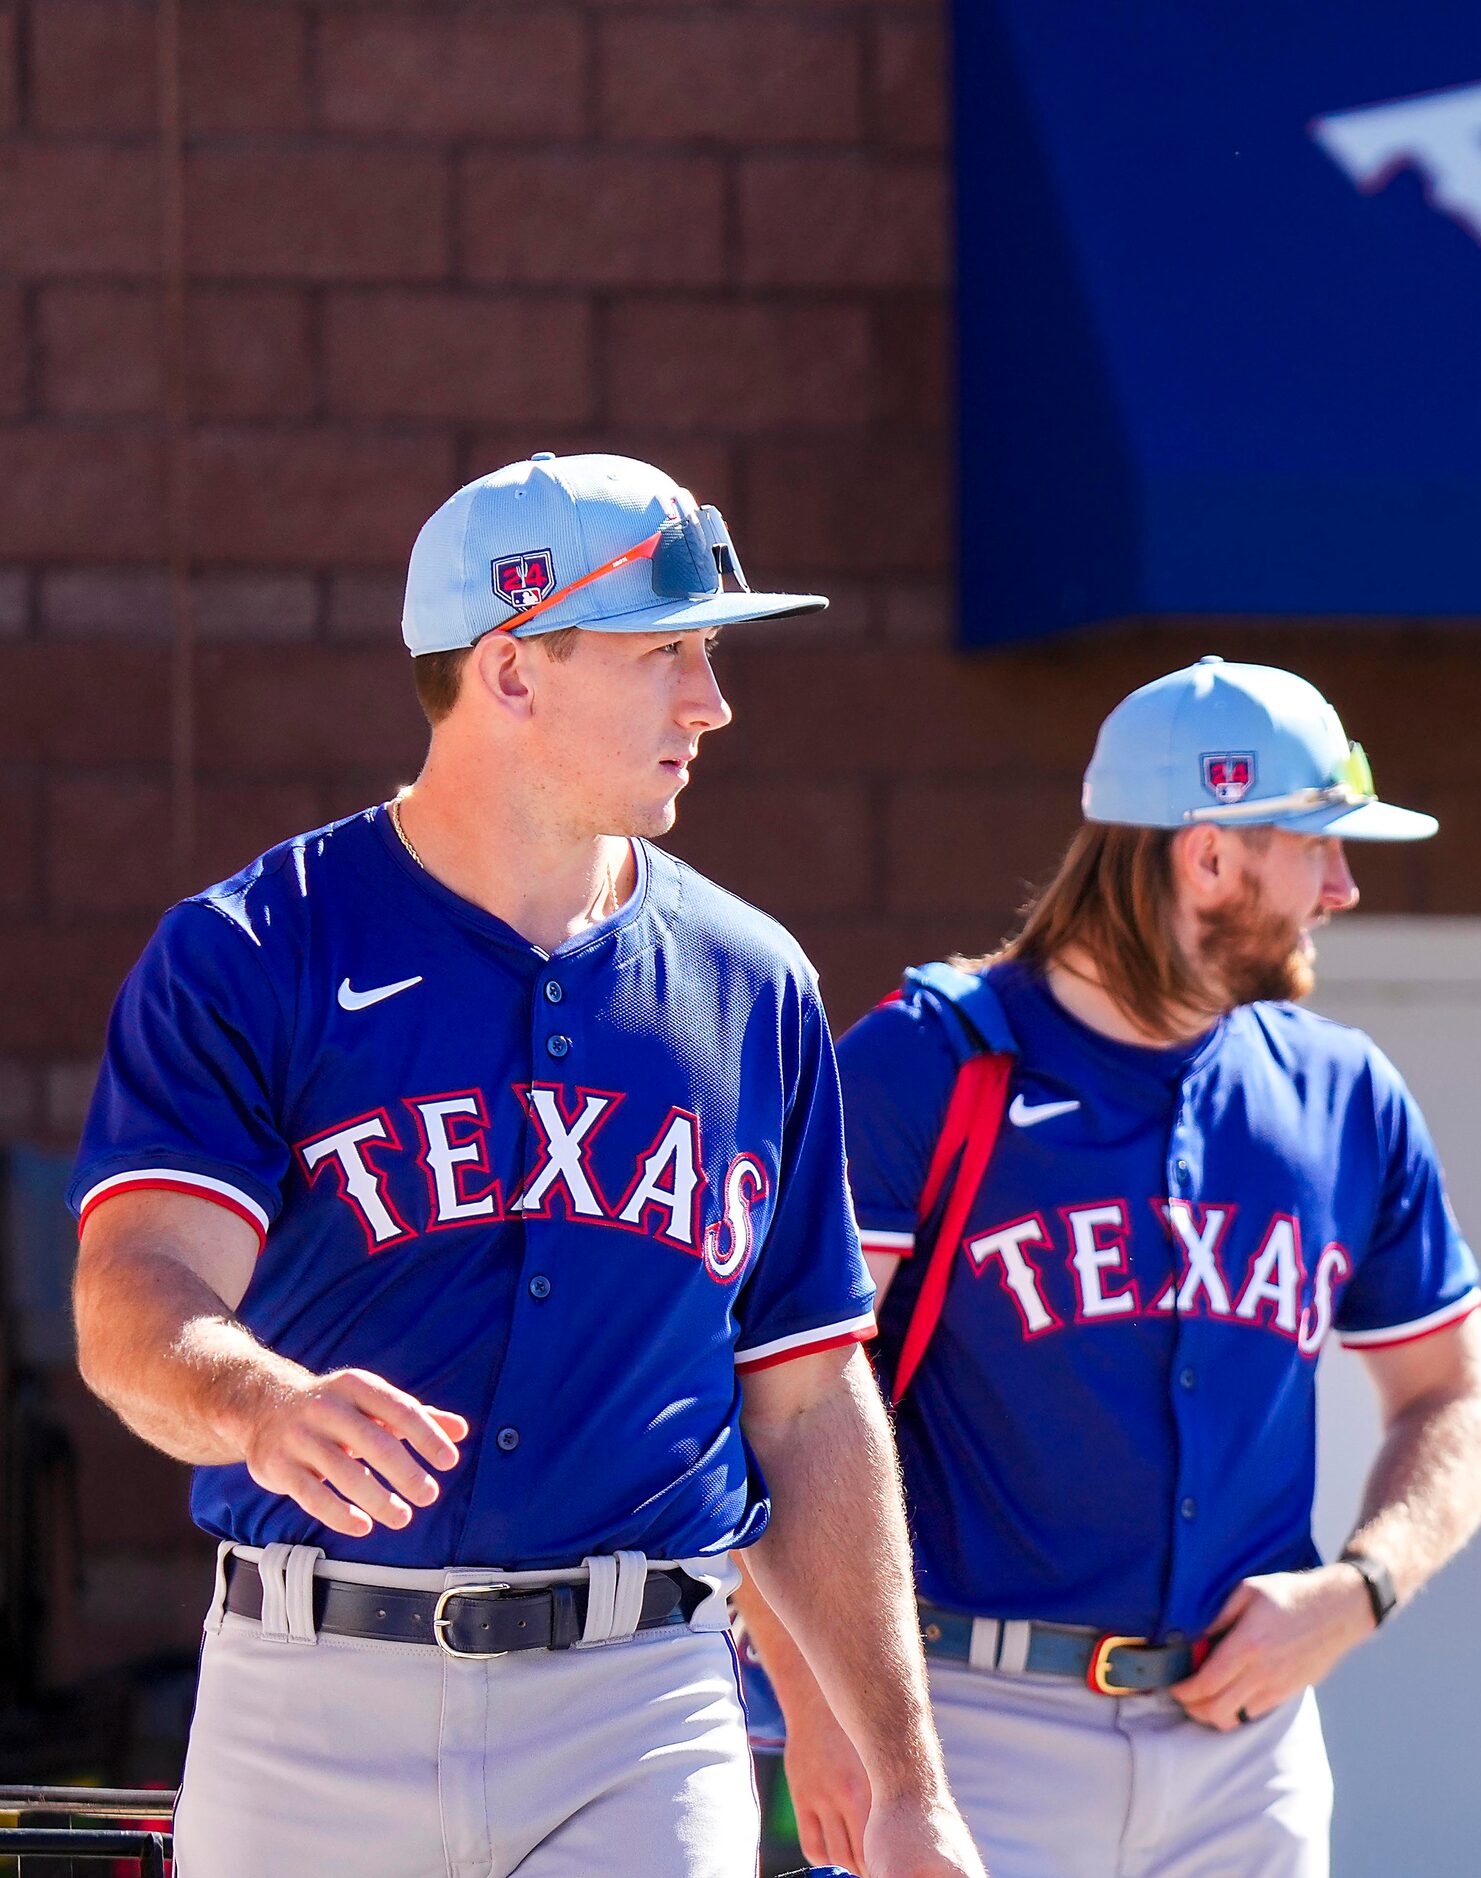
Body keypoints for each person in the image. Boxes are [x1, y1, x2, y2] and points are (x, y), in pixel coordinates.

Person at [66, 453, 985, 1878]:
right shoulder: (255, 947)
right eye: (666, 650)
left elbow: (805, 1399)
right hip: (315, 1691)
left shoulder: (753, 981)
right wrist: (258, 1400)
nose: (712, 700)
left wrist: (902, 1773)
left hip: (639, 1699)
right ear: (510, 669)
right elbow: (138, 1288)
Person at [743, 656, 1481, 1878]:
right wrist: (812, 1701)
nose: (1345, 887)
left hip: (1243, 1753)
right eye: (1317, 848)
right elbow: (766, 1397)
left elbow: (1456, 1398)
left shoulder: (1342, 1092)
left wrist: (1360, 1587)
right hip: (965, 1720)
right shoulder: (926, 1065)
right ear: (1208, 856)